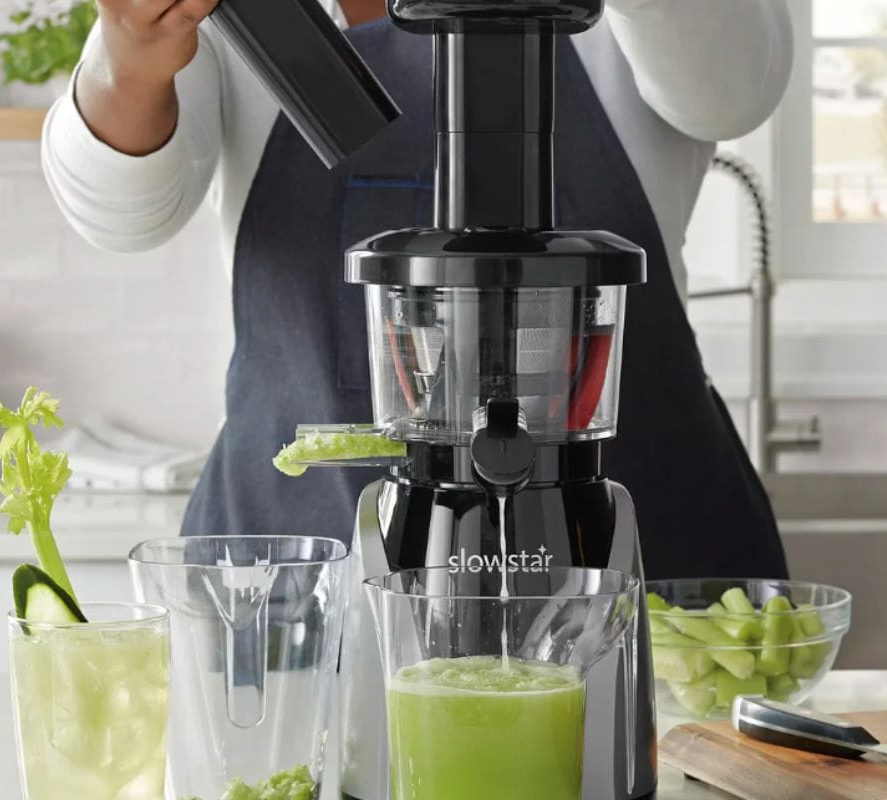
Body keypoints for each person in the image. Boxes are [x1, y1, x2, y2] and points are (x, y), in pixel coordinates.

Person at [42, 0, 794, 580]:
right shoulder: (246, 21)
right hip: (300, 584)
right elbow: (121, 211)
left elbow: (736, 92)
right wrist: (132, 53)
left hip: (631, 580)